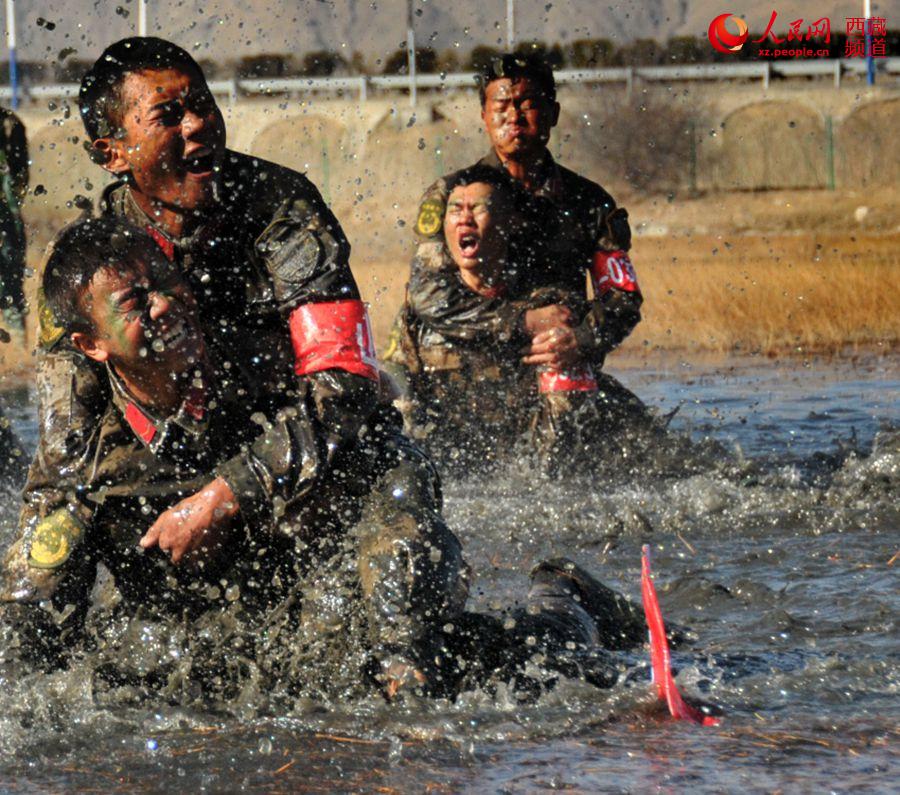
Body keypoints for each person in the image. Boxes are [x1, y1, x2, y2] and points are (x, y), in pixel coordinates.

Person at [1, 218, 649, 701]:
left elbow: (377, 446)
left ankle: (563, 595)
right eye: (135, 304)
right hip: (222, 624)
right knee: (123, 673)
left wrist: (395, 599)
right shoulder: (83, 457)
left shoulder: (264, 374)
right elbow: (29, 607)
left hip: (336, 574)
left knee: (479, 672)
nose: (165, 305)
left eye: (165, 285)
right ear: (90, 343)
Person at [18, 37, 469, 692]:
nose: (199, 123)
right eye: (168, 115)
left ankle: (525, 624)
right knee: (60, 569)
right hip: (173, 480)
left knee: (387, 625)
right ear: (112, 152)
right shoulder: (89, 268)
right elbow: (64, 456)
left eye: (201, 103)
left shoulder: (280, 210)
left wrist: (228, 492)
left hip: (320, 466)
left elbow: (342, 384)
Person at [386, 53, 651, 471]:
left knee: (654, 453)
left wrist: (579, 340)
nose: (513, 117)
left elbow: (622, 298)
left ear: (552, 113)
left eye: (527, 104)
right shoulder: (454, 195)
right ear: (484, 116)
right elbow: (429, 297)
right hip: (452, 364)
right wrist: (524, 322)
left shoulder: (588, 202)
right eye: (501, 106)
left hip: (549, 364)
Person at [391, 167, 664, 476]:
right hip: (457, 451)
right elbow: (400, 400)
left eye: (479, 209)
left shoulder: (548, 310)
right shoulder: (425, 312)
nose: (465, 219)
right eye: (456, 211)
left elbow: (561, 439)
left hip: (538, 451)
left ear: (509, 225)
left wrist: (581, 340)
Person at [0, 107, 28, 333]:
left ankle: (18, 344)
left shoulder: (10, 126)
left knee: (11, 287)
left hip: (6, 221)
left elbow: (19, 184)